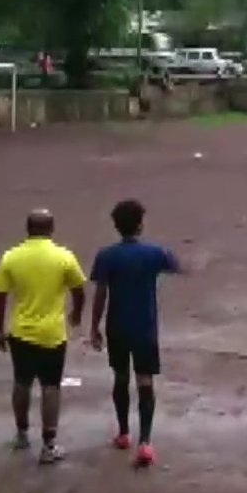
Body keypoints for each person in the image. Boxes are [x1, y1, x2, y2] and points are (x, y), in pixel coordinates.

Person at [89, 199, 182, 467]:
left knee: (120, 377)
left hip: (117, 326)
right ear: (140, 225)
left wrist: (94, 327)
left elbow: (100, 294)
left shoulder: (106, 256)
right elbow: (175, 264)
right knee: (145, 382)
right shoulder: (154, 252)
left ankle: (123, 433)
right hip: (145, 328)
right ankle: (145, 442)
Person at [0, 209, 86, 464]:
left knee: (21, 383)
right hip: (52, 334)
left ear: (27, 228)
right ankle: (49, 443)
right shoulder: (64, 257)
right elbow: (79, 289)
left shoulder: (11, 257)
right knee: (51, 387)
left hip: (21, 332)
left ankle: (22, 433)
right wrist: (76, 313)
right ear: (51, 229)